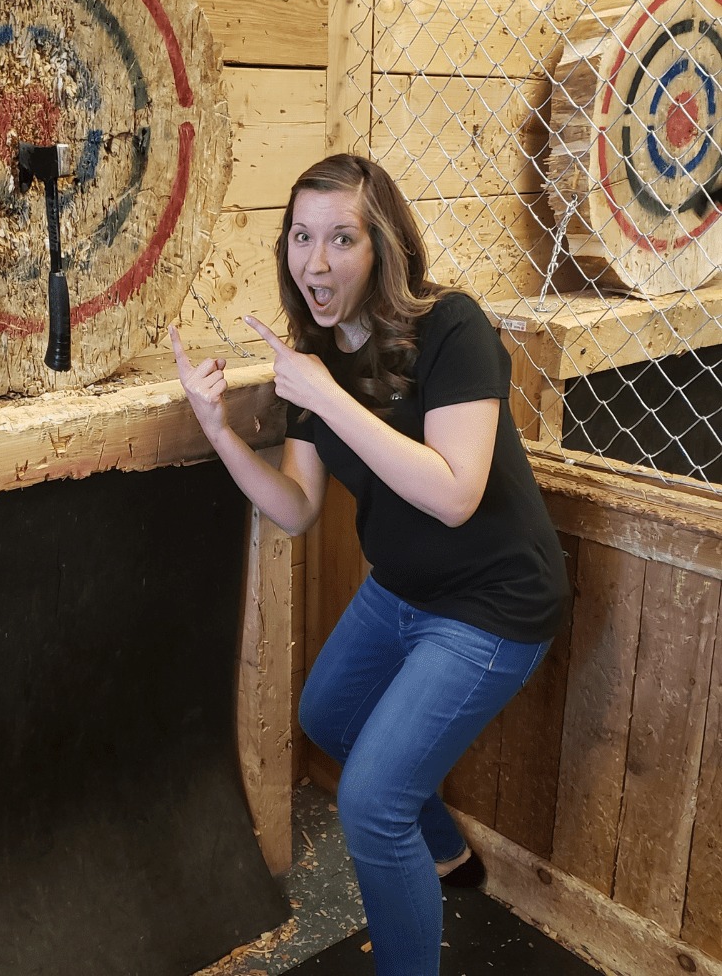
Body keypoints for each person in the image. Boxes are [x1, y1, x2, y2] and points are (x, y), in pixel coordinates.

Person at [169, 154, 569, 976]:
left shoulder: (451, 327)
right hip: (404, 591)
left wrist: (324, 396)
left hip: (495, 603)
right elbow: (295, 507)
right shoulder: (317, 359)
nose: (315, 262)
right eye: (300, 237)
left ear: (383, 247)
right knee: (328, 716)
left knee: (372, 804)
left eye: (341, 238)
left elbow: (454, 494)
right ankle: (447, 854)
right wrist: (216, 430)